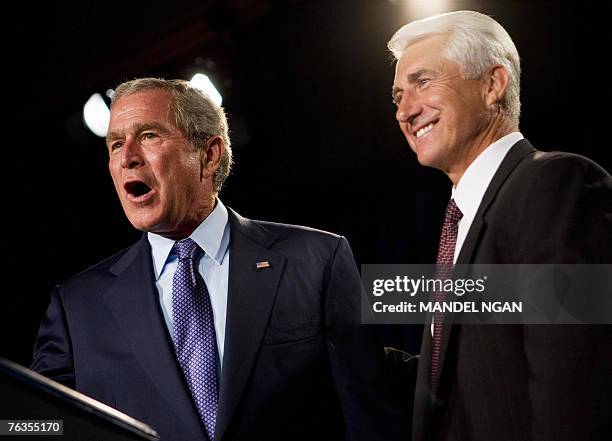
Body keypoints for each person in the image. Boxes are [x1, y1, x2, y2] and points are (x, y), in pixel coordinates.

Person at [31, 78, 407, 441]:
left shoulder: (317, 260)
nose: (127, 157)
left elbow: (371, 417)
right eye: (115, 144)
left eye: (148, 136)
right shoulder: (77, 306)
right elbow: (34, 425)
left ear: (209, 155)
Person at [388, 10, 611, 441]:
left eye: (423, 82)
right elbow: (478, 379)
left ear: (492, 85)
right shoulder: (465, 216)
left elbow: (576, 382)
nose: (405, 111)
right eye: (397, 95)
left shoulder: (552, 185)